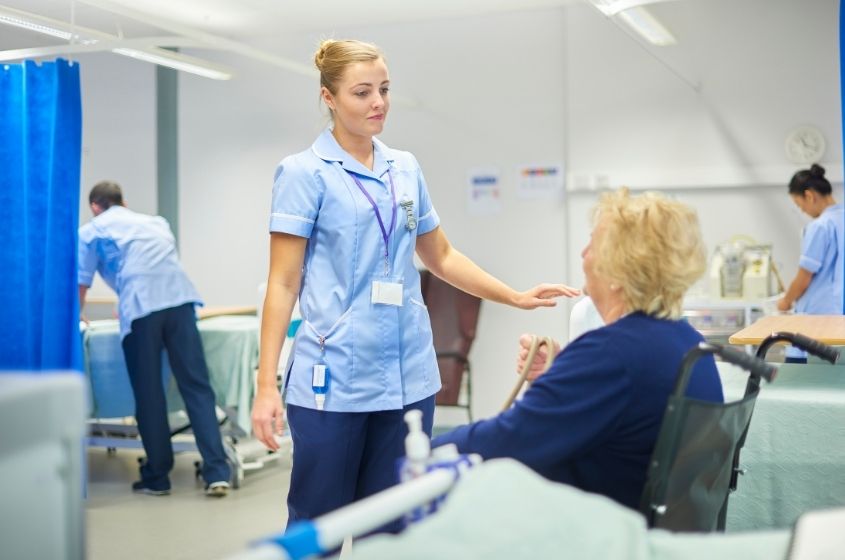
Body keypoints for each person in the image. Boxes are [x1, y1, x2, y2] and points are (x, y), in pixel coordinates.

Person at [251, 38, 580, 527]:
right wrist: (265, 385)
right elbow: (282, 283)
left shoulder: (403, 168)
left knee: (398, 524)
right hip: (334, 378)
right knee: (318, 522)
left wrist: (513, 295)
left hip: (408, 375)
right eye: (362, 92)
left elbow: (441, 256)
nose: (378, 102)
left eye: (384, 89)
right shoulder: (304, 174)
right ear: (329, 98)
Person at [433, 188, 724, 510]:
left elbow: (509, 441)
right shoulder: (687, 342)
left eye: (593, 246)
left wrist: (425, 450)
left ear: (618, 272)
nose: (583, 254)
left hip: (597, 527)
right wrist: (562, 376)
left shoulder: (612, 353)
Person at [78, 181, 231, 497]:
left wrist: (78, 316)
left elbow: (81, 283)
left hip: (142, 307)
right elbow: (158, 263)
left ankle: (157, 477)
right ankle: (217, 472)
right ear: (123, 201)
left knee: (149, 395)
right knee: (197, 388)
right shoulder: (156, 222)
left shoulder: (91, 230)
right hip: (181, 301)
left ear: (95, 206)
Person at [777, 164, 844, 347]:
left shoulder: (820, 226)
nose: (803, 211)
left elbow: (804, 277)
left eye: (800, 205)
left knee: (806, 370)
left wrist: (785, 301)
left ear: (809, 196)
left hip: (819, 317)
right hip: (840, 315)